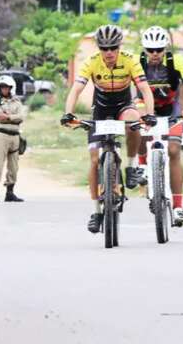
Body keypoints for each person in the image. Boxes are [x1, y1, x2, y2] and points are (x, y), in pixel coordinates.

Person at [60, 24, 156, 233]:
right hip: (100, 111)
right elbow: (76, 89)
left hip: (123, 106)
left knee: (133, 120)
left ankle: (130, 167)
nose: (109, 52)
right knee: (94, 160)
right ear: (99, 48)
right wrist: (68, 113)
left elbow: (145, 90)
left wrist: (150, 114)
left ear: (119, 46)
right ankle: (96, 210)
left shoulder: (129, 60)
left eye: (113, 47)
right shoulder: (91, 63)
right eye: (105, 48)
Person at [137, 26, 183, 226]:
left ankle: (178, 206)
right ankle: (141, 165)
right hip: (144, 106)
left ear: (165, 48)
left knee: (174, 150)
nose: (154, 54)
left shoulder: (178, 62)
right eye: (150, 50)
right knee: (136, 122)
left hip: (171, 109)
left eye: (159, 50)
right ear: (144, 49)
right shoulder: (137, 63)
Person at [0, 75, 24, 203]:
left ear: (11, 88)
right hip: (1, 135)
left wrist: (8, 117)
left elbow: (21, 116)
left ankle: (10, 191)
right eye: (2, 87)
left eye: (6, 87)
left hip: (15, 136)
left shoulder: (17, 102)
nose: (4, 89)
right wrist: (13, 117)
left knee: (14, 166)